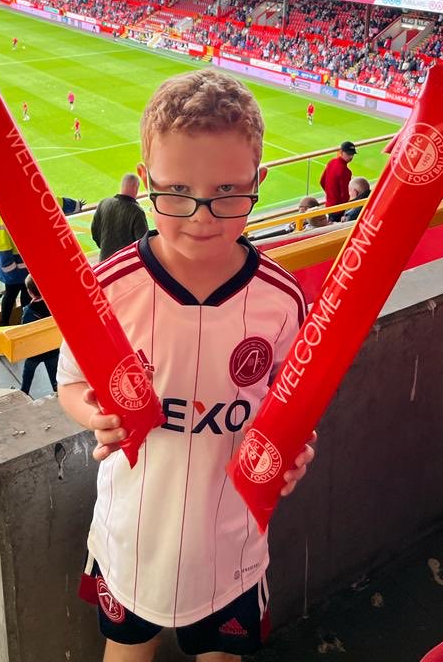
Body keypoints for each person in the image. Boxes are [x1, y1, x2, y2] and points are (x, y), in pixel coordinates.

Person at [57, 70, 315, 662]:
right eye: (176, 191)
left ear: (259, 181)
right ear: (145, 181)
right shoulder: (106, 291)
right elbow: (71, 384)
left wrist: (294, 448)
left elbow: (290, 403)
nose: (202, 216)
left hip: (231, 546)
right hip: (131, 539)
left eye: (228, 191)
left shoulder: (281, 300)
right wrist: (93, 416)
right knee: (127, 653)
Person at [0, 196, 85, 325]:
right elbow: (55, 202)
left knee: (11, 294)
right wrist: (76, 205)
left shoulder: (3, 213)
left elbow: (1, 244)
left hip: (14, 265)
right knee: (25, 293)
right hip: (30, 264)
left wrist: (8, 268)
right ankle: (26, 324)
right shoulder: (35, 200)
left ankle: (6, 323)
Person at [91, 173, 149, 262]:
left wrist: (106, 249)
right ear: (135, 187)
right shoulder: (136, 211)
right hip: (126, 265)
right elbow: (143, 244)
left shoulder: (103, 203)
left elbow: (94, 232)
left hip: (104, 262)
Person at [19, 275, 59, 396]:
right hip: (52, 348)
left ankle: (24, 392)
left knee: (28, 372)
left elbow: (25, 330)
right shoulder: (52, 304)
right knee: (55, 374)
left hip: (35, 351)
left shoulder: (29, 311)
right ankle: (58, 390)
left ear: (29, 292)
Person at [319, 140, 357, 221]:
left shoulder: (331, 162)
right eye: (348, 154)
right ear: (341, 152)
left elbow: (322, 181)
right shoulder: (345, 171)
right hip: (339, 209)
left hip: (329, 205)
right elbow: (345, 194)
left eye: (352, 154)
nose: (351, 157)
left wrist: (331, 195)